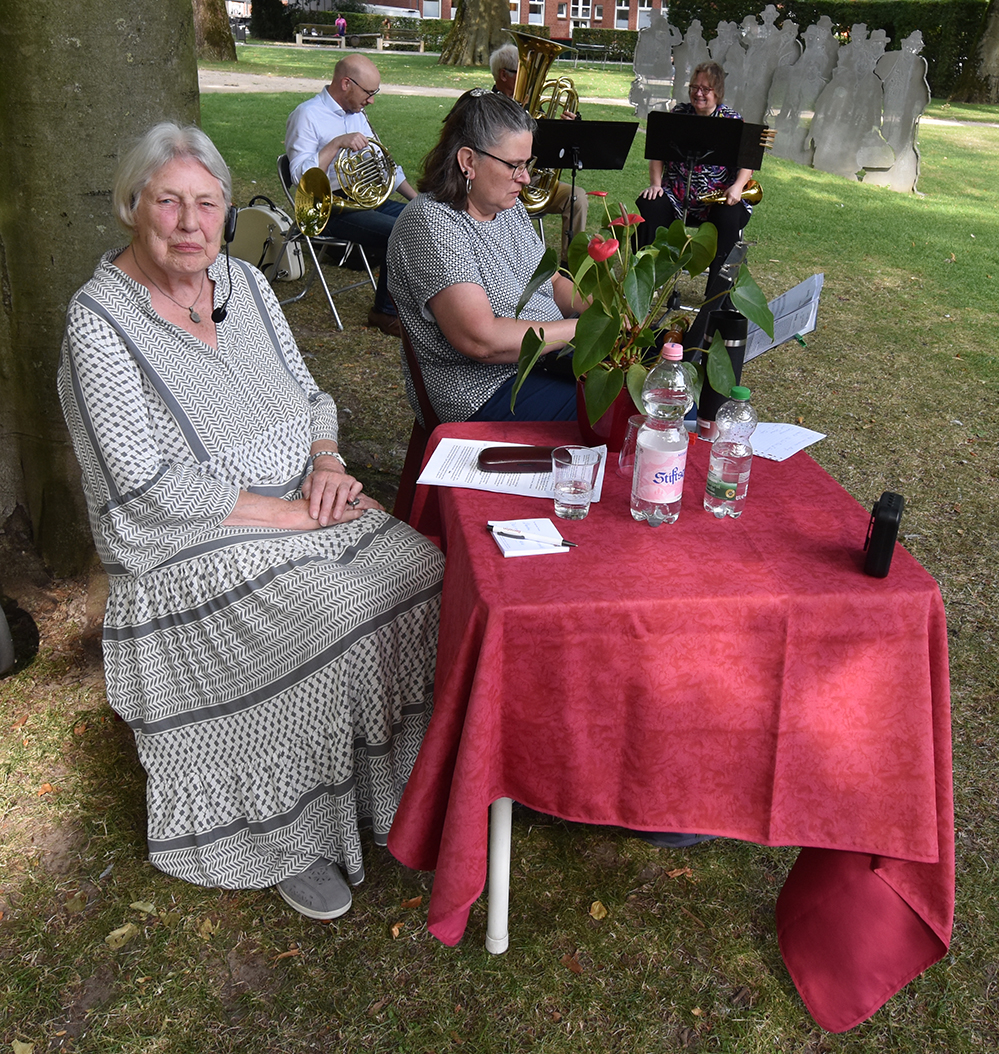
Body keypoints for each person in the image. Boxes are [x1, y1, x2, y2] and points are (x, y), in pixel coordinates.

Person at [57, 123, 444, 922]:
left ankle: (396, 787)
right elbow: (145, 484)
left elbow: (310, 395)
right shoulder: (99, 322)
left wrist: (329, 463)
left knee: (427, 568)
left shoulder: (244, 283)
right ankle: (286, 833)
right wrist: (288, 516)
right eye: (169, 202)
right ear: (134, 207)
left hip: (303, 493)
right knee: (334, 608)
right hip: (183, 540)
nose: (190, 223)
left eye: (208, 204)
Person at [387, 90, 585, 426]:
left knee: (652, 386)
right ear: (468, 162)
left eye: (527, 164)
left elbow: (552, 282)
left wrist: (605, 312)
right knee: (627, 412)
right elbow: (481, 339)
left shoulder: (507, 209)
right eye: (514, 166)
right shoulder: (431, 223)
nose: (525, 178)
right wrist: (583, 330)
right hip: (481, 392)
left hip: (545, 362)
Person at [285, 54, 415, 337]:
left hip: (361, 199)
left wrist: (415, 200)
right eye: (369, 93)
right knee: (399, 233)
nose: (371, 101)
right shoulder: (307, 115)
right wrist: (335, 144)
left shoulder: (357, 115)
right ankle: (384, 312)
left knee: (421, 220)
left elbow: (382, 165)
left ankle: (414, 304)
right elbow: (301, 177)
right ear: (346, 83)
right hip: (327, 207)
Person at [636, 61, 755, 300]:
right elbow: (658, 154)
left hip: (719, 199)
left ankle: (717, 296)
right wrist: (656, 185)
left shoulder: (732, 120)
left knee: (729, 218)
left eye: (705, 89)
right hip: (677, 198)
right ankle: (644, 284)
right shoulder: (678, 116)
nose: (698, 93)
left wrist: (737, 187)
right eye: (694, 87)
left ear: (717, 92)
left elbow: (748, 162)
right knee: (649, 205)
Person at [489, 43, 588, 263]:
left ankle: (570, 267)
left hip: (533, 181)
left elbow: (548, 145)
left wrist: (568, 129)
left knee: (576, 197)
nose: (533, 80)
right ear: (503, 75)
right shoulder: (487, 107)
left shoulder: (532, 105)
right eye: (524, 73)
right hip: (501, 183)